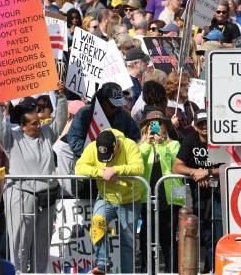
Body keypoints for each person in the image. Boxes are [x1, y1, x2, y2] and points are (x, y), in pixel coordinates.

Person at [0, 81, 68, 273]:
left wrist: (62, 96)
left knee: (42, 245)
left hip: (46, 198)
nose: (39, 125)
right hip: (21, 197)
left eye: (39, 122)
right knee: (20, 244)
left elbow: (60, 120)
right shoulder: (13, 139)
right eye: (34, 124)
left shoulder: (47, 135)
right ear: (22, 126)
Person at [76, 128, 145, 275]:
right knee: (97, 222)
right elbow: (79, 167)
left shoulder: (129, 145)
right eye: (103, 156)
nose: (107, 159)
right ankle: (102, 264)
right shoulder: (92, 147)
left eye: (110, 154)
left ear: (117, 145)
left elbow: (139, 168)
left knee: (127, 243)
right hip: (106, 197)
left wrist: (116, 170)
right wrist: (101, 172)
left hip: (129, 200)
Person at [137, 109, 182, 274]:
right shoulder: (140, 146)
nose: (155, 128)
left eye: (159, 124)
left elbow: (173, 166)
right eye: (151, 125)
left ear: (165, 126)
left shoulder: (173, 144)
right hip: (147, 198)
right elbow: (139, 164)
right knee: (146, 237)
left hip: (170, 198)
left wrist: (161, 144)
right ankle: (147, 270)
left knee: (168, 238)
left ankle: (172, 270)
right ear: (145, 128)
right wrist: (148, 144)